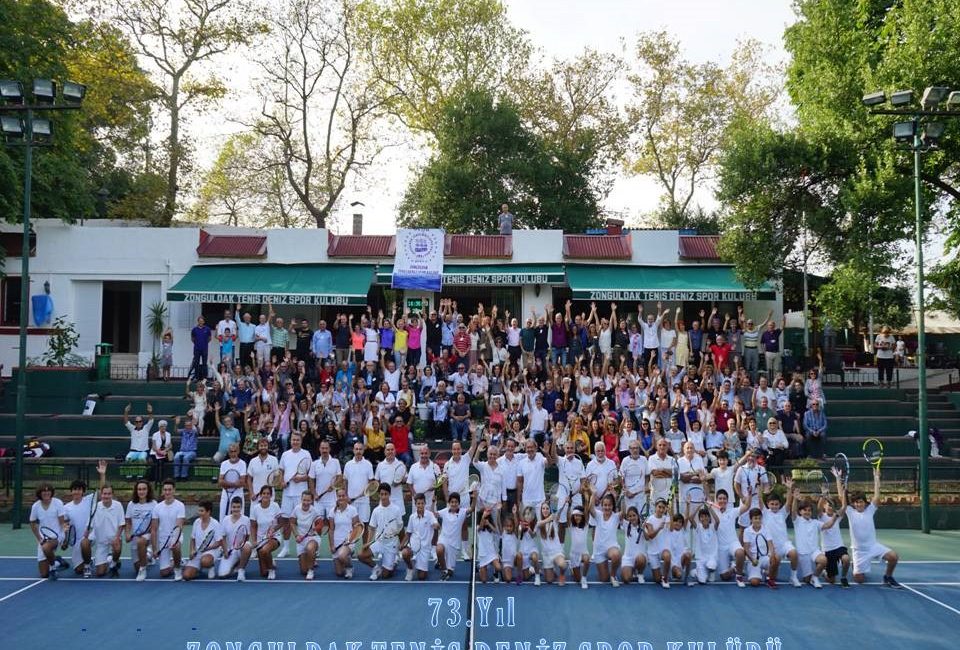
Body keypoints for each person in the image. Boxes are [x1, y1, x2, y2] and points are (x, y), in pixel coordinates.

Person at [848, 467, 901, 587]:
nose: (859, 504)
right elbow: (842, 497)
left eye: (861, 501)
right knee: (859, 580)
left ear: (864, 502)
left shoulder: (870, 510)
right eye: (856, 502)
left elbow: (877, 496)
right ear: (853, 504)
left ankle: (888, 576)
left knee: (893, 557)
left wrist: (876, 477)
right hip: (859, 551)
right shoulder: (850, 512)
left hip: (873, 546)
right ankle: (854, 564)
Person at [277, 431, 313, 558]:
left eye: (297, 440)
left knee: (303, 521)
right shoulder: (285, 455)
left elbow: (310, 475)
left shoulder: (306, 454)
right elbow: (281, 470)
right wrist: (281, 481)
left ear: (301, 441)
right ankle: (286, 548)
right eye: (293, 440)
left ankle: (306, 546)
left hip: (301, 494)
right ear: (290, 441)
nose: (295, 442)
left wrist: (301, 479)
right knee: (285, 520)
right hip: (287, 493)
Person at [358, 483, 405, 580]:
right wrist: (368, 543)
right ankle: (376, 568)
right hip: (379, 542)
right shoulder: (376, 510)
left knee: (386, 575)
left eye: (386, 494)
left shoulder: (396, 510)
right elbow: (371, 528)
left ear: (389, 495)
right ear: (379, 494)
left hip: (392, 544)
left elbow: (400, 528)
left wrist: (402, 544)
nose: (383, 496)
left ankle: (394, 562)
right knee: (361, 555)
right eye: (381, 494)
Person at [80, 482, 126, 578]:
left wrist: (117, 537)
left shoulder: (118, 506)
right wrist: (87, 532)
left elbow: (121, 525)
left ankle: (113, 562)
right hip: (100, 541)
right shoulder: (96, 506)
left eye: (109, 494)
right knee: (84, 543)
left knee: (117, 547)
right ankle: (87, 565)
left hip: (114, 538)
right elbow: (90, 524)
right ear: (101, 494)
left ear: (112, 495)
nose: (106, 496)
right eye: (104, 494)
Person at [152, 479, 186, 581]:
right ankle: (177, 562)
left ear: (174, 490)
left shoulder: (180, 506)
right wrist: (154, 549)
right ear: (163, 491)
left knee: (175, 547)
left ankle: (177, 568)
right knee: (164, 573)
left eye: (169, 490)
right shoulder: (157, 507)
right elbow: (154, 529)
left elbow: (179, 526)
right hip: (162, 540)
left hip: (176, 537)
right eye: (165, 490)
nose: (167, 492)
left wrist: (173, 541)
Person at [30, 482, 66, 579]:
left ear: (51, 492)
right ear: (40, 493)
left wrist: (64, 538)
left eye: (48, 491)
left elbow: (62, 523)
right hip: (43, 538)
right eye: (44, 491)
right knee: (44, 574)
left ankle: (53, 568)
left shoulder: (58, 503)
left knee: (46, 548)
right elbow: (32, 523)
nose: (46, 493)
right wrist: (40, 539)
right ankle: (58, 561)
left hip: (57, 536)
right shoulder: (36, 506)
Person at [183, 500, 224, 581]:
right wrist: (192, 550)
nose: (199, 513)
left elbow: (219, 542)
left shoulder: (215, 524)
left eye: (202, 511)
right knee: (186, 576)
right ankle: (197, 569)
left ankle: (210, 566)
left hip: (211, 551)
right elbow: (192, 538)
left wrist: (207, 548)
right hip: (198, 552)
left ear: (208, 512)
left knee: (205, 561)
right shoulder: (196, 522)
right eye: (199, 510)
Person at [125, 478, 156, 582]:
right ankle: (148, 556)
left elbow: (155, 524)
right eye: (139, 489)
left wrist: (151, 537)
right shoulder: (131, 504)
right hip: (135, 536)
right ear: (136, 491)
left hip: (149, 536)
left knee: (141, 541)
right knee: (136, 567)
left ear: (148, 490)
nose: (141, 491)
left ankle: (143, 570)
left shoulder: (154, 504)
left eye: (144, 489)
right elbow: (128, 522)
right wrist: (128, 533)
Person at [328, 487, 363, 579]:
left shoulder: (352, 510)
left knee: (342, 556)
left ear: (346, 496)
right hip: (336, 543)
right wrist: (332, 545)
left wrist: (350, 540)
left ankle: (349, 567)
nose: (341, 498)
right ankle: (346, 559)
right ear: (336, 497)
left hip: (348, 542)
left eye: (343, 495)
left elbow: (357, 527)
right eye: (339, 496)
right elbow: (331, 530)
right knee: (339, 573)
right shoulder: (332, 511)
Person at [436, 491, 471, 580]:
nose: (454, 504)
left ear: (459, 503)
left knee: (451, 572)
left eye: (456, 502)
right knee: (439, 549)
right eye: (452, 502)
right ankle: (444, 570)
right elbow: (434, 514)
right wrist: (433, 502)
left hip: (454, 544)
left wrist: (475, 496)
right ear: (449, 503)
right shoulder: (444, 511)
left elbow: (472, 508)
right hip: (443, 540)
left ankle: (447, 569)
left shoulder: (463, 512)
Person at [741, 507, 778, 588]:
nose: (758, 520)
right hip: (753, 559)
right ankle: (760, 572)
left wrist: (772, 555)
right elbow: (746, 549)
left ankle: (769, 578)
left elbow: (770, 544)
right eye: (755, 518)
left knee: (776, 558)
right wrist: (752, 559)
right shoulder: (747, 531)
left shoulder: (766, 529)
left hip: (765, 557)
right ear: (751, 520)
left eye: (759, 518)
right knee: (755, 583)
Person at [250, 485, 282, 580]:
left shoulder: (275, 506)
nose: (266, 495)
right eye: (264, 493)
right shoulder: (255, 508)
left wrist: (273, 529)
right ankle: (271, 561)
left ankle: (271, 570)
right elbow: (253, 526)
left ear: (271, 495)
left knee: (265, 550)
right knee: (263, 573)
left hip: (274, 537)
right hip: (261, 540)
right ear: (260, 495)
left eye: (268, 493)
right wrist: (254, 541)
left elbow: (281, 523)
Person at [218, 496, 252, 581]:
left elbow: (246, 537)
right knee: (222, 575)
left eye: (238, 507)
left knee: (247, 546)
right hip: (229, 551)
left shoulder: (246, 519)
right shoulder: (225, 519)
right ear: (230, 507)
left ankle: (241, 570)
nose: (236, 509)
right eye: (234, 507)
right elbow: (223, 538)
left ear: (241, 507)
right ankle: (234, 564)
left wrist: (241, 544)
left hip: (240, 549)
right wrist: (225, 551)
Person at [217, 443, 248, 520]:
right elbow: (220, 481)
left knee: (238, 518)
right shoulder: (224, 464)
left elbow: (242, 482)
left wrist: (227, 484)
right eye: (231, 451)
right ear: (228, 452)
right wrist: (234, 484)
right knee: (222, 518)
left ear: (238, 451)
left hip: (238, 493)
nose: (233, 453)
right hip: (225, 494)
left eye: (235, 451)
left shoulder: (242, 464)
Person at [172, 415, 199, 480]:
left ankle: (184, 476)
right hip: (182, 451)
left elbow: (197, 431)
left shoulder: (194, 431)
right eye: (186, 425)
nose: (187, 427)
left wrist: (195, 424)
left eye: (189, 425)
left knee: (185, 458)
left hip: (192, 452)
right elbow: (175, 431)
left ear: (191, 425)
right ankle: (176, 476)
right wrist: (176, 424)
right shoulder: (183, 431)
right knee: (176, 457)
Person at [190, 315, 213, 381]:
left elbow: (209, 338)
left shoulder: (207, 329)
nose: (201, 322)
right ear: (198, 321)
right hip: (196, 349)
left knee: (204, 364)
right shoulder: (194, 329)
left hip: (204, 349)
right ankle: (196, 377)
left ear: (204, 322)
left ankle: (204, 378)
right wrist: (197, 343)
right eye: (199, 321)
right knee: (196, 363)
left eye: (202, 321)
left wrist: (204, 343)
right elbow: (192, 338)